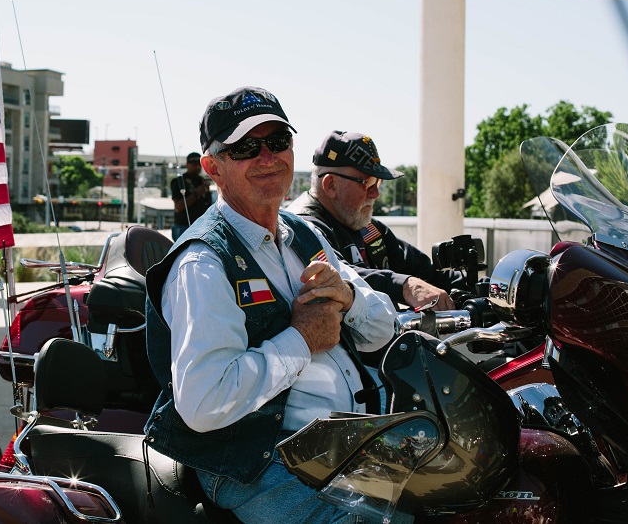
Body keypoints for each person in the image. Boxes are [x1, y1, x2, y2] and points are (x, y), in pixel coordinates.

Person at [144, 87, 399, 523]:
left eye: (278, 141)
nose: (268, 157)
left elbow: (382, 330)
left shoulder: (305, 236)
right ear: (213, 168)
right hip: (258, 462)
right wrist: (302, 339)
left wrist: (349, 297)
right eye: (245, 147)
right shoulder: (203, 262)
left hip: (344, 444)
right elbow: (204, 401)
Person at [286, 131, 465, 312]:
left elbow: (425, 271)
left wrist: (472, 285)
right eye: (368, 182)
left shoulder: (366, 226)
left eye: (377, 182)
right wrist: (405, 286)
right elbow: (340, 276)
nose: (375, 194)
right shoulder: (300, 229)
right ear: (331, 185)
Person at [170, 151, 212, 240]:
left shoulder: (201, 181)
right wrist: (197, 194)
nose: (197, 167)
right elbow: (178, 207)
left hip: (202, 227)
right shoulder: (179, 181)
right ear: (187, 165)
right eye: (194, 164)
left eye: (199, 164)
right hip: (184, 227)